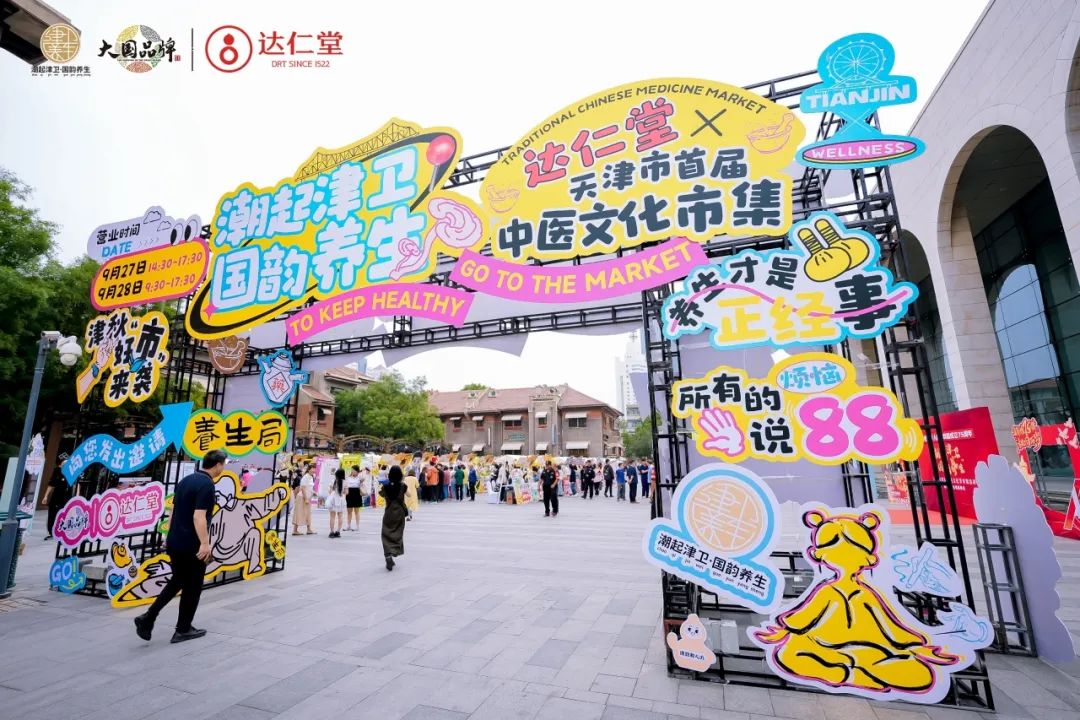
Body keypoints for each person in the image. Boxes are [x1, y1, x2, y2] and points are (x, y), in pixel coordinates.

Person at [134, 450, 225, 644]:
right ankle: (183, 629)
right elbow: (199, 517)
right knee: (193, 586)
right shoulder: (207, 485)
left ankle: (148, 618)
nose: (222, 468)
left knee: (178, 580)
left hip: (175, 541)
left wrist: (168, 536)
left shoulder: (186, 480)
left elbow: (173, 511)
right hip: (192, 545)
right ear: (217, 465)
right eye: (223, 464)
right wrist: (205, 544)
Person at [380, 465, 408, 571]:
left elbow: (381, 494)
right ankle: (394, 551)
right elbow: (409, 494)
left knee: (386, 533)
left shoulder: (385, 487)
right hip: (399, 513)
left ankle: (388, 555)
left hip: (389, 513)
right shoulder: (403, 486)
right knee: (398, 533)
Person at [41, 469, 71, 540]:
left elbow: (77, 485)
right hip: (56, 497)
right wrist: (45, 496)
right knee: (52, 514)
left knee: (63, 515)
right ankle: (51, 532)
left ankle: (60, 532)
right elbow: (51, 484)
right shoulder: (57, 471)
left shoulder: (72, 473)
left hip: (66, 498)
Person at [292, 463, 315, 535]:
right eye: (312, 469)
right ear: (309, 469)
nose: (314, 470)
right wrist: (306, 499)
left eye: (314, 469)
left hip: (307, 497)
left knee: (308, 513)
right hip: (302, 497)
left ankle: (309, 529)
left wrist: (314, 493)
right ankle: (295, 530)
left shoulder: (311, 477)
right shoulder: (305, 477)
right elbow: (303, 488)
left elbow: (309, 488)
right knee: (299, 513)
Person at [326, 468, 346, 538]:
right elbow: (346, 492)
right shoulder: (345, 482)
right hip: (341, 499)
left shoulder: (333, 481)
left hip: (334, 499)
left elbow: (330, 491)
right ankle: (338, 532)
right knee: (340, 515)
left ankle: (332, 532)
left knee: (332, 516)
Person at [343, 465, 362, 531]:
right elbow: (345, 485)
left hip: (357, 494)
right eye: (352, 470)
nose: (352, 471)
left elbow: (364, 478)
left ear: (357, 471)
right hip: (349, 494)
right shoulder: (348, 477)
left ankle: (357, 526)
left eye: (353, 470)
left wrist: (360, 473)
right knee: (349, 511)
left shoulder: (360, 478)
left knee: (356, 511)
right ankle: (348, 526)